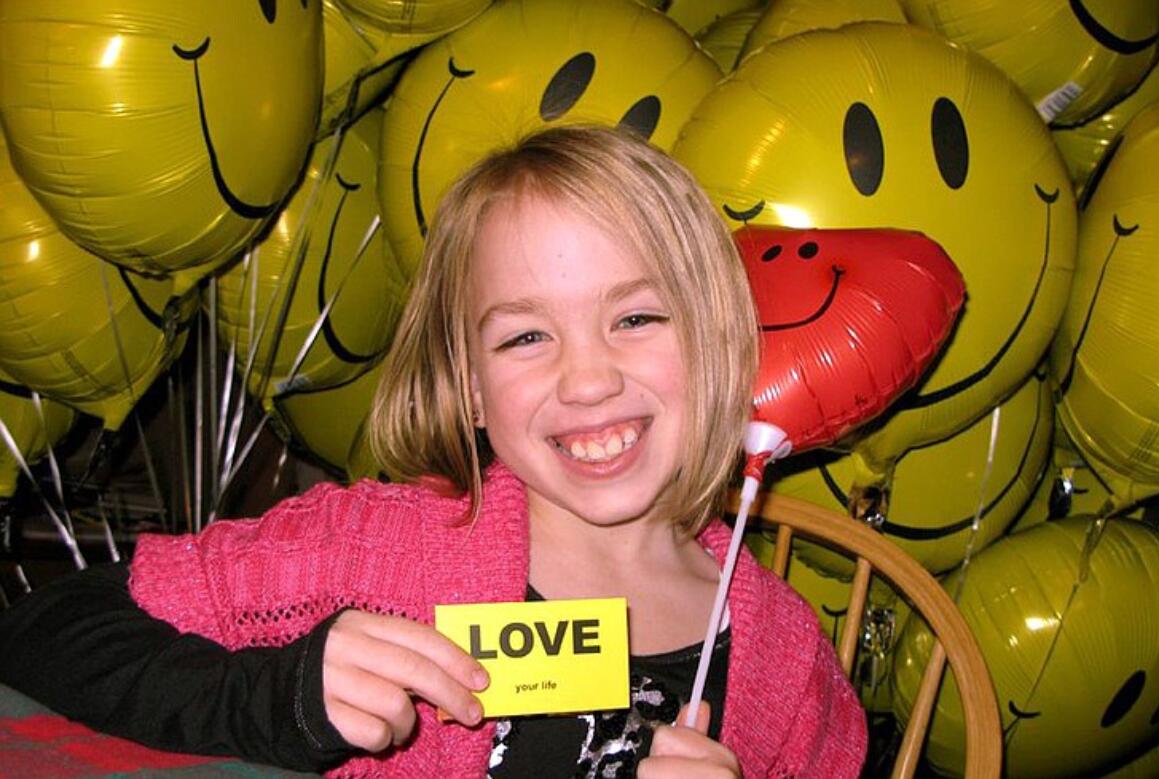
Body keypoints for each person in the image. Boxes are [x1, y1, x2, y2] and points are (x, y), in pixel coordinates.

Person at [0, 125, 867, 777]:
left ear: (717, 340)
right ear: (470, 385)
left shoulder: (785, 658)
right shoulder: (376, 550)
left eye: (636, 317)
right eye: (527, 336)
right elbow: (47, 630)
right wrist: (283, 695)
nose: (588, 377)